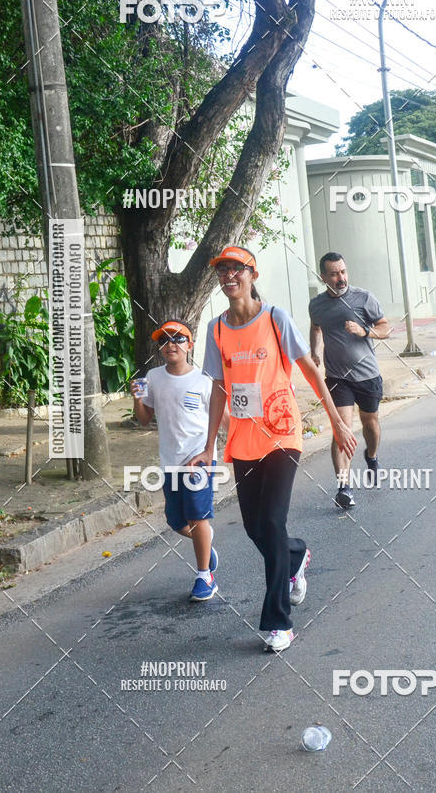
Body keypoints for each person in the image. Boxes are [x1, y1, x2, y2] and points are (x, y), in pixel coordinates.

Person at [189, 245, 356, 654]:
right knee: (255, 527)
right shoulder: (216, 330)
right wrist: (209, 445)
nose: (229, 277)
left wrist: (336, 421)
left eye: (237, 270)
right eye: (223, 271)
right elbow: (217, 388)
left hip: (282, 435)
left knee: (274, 522)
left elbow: (311, 370)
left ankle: (278, 621)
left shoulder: (275, 318)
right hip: (243, 440)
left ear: (253, 275)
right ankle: (296, 557)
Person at [131, 320, 226, 602]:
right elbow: (145, 420)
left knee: (197, 517)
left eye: (178, 338)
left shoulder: (204, 379)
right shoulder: (154, 377)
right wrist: (137, 399)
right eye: (164, 340)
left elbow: (222, 419)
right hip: (169, 461)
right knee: (175, 520)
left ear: (190, 345)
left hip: (198, 460)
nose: (171, 344)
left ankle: (204, 576)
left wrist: (215, 449)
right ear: (160, 348)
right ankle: (205, 542)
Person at [309, 252, 390, 510]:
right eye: (334, 273)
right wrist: (314, 350)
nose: (340, 278)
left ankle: (372, 455)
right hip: (337, 377)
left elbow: (386, 328)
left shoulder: (364, 298)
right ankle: (344, 487)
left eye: (343, 271)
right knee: (341, 428)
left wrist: (364, 331)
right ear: (323, 277)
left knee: (371, 425)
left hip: (367, 375)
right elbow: (316, 326)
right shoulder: (317, 305)